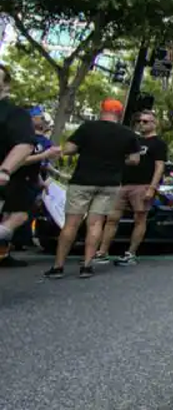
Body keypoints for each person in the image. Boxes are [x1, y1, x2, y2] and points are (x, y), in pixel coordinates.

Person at [43, 99, 142, 280]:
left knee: (71, 223)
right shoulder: (128, 134)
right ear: (119, 114)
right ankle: (87, 265)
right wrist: (119, 161)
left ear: (101, 109)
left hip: (82, 180)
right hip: (110, 183)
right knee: (96, 224)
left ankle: (58, 266)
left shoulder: (88, 127)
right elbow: (135, 160)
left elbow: (70, 149)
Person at [96, 109, 168, 266]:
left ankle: (131, 253)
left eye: (145, 121)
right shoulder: (133, 140)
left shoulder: (158, 144)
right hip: (123, 184)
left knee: (139, 219)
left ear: (154, 124)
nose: (141, 124)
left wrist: (152, 188)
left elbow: (159, 166)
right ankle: (102, 252)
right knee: (111, 218)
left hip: (142, 185)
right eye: (139, 121)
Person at [0, 63, 38, 264]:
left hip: (10, 178)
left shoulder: (13, 114)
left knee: (19, 215)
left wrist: (5, 169)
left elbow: (25, 144)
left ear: (5, 86)